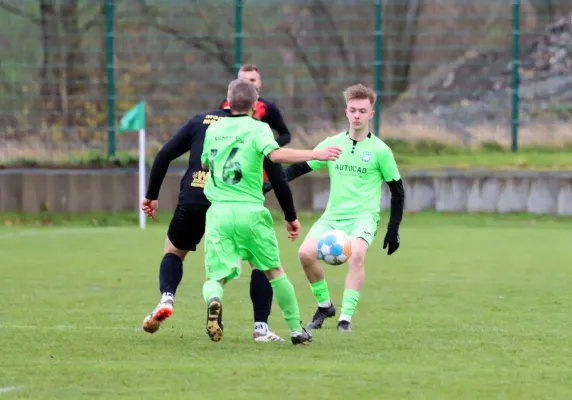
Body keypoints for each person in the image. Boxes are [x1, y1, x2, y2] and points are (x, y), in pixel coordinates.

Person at [140, 95, 300, 343]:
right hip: (233, 201)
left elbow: (163, 155)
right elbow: (278, 174)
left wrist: (151, 196)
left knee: (175, 251)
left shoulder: (202, 122)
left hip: (194, 196)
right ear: (253, 102)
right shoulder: (254, 129)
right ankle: (261, 327)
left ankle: (167, 297)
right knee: (261, 264)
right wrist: (290, 215)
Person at [200, 79, 342, 345]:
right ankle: (296, 330)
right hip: (251, 213)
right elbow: (275, 156)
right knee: (274, 272)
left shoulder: (213, 130)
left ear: (228, 103)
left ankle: (214, 300)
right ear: (256, 104)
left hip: (218, 213)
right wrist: (317, 154)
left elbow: (206, 163)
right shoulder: (259, 129)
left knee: (215, 277)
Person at [263, 83, 405, 333]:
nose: (357, 115)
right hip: (333, 216)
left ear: (371, 114)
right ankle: (325, 306)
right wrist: (270, 184)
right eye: (353, 110)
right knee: (305, 254)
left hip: (363, 217)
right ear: (346, 112)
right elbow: (300, 167)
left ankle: (345, 320)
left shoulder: (381, 151)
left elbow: (397, 191)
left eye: (363, 111)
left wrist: (393, 229)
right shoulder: (333, 144)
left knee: (358, 254)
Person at [219, 64, 293, 341]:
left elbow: (285, 134)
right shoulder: (223, 112)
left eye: (252, 80)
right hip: (238, 189)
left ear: (259, 84)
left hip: (253, 182)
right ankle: (275, 327)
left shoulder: (267, 111)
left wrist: (270, 144)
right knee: (262, 261)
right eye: (243, 80)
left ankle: (217, 303)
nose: (248, 84)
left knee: (227, 263)